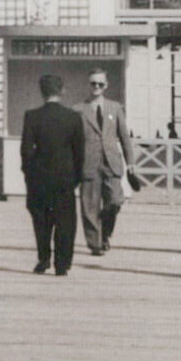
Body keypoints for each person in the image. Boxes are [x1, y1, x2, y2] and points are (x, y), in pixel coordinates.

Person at [20, 74, 85, 276]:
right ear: (62, 90)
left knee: (41, 220)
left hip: (39, 178)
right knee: (65, 222)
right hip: (64, 178)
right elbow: (79, 151)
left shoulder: (32, 116)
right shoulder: (73, 117)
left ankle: (44, 258)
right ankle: (62, 263)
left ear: (42, 91)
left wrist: (29, 174)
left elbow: (26, 150)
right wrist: (76, 177)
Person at [77, 67, 135, 256]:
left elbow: (124, 136)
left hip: (111, 162)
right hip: (88, 163)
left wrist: (131, 162)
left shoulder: (115, 107)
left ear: (106, 86)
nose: (96, 87)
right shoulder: (78, 109)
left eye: (100, 84)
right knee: (90, 206)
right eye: (93, 83)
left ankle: (105, 234)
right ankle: (95, 244)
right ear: (88, 84)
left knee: (115, 201)